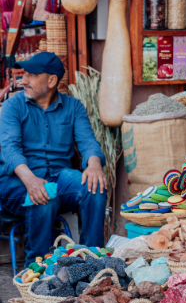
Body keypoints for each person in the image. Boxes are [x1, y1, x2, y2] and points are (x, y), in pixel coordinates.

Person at [0, 52, 107, 266]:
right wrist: (30, 180)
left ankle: (92, 261)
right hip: (17, 182)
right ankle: (36, 269)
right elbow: (9, 148)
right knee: (44, 195)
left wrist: (94, 165)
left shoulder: (73, 107)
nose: (24, 81)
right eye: (24, 75)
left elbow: (88, 142)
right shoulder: (13, 106)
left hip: (60, 178)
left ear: (51, 81)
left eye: (31, 75)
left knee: (94, 186)